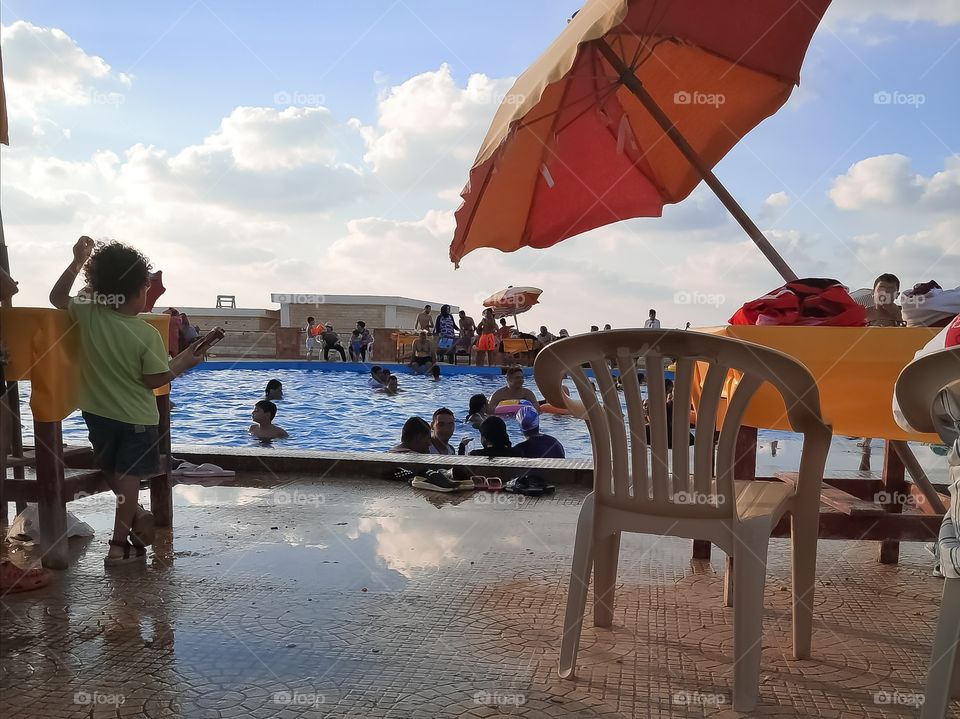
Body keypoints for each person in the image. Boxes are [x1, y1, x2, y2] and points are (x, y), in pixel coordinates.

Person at [49, 237, 204, 566]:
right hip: (136, 418)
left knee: (114, 472)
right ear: (136, 290)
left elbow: (57, 297)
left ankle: (133, 523)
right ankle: (118, 547)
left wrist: (78, 260)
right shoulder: (146, 332)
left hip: (95, 415)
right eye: (146, 289)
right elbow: (153, 381)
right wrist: (183, 363)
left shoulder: (88, 312)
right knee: (129, 478)